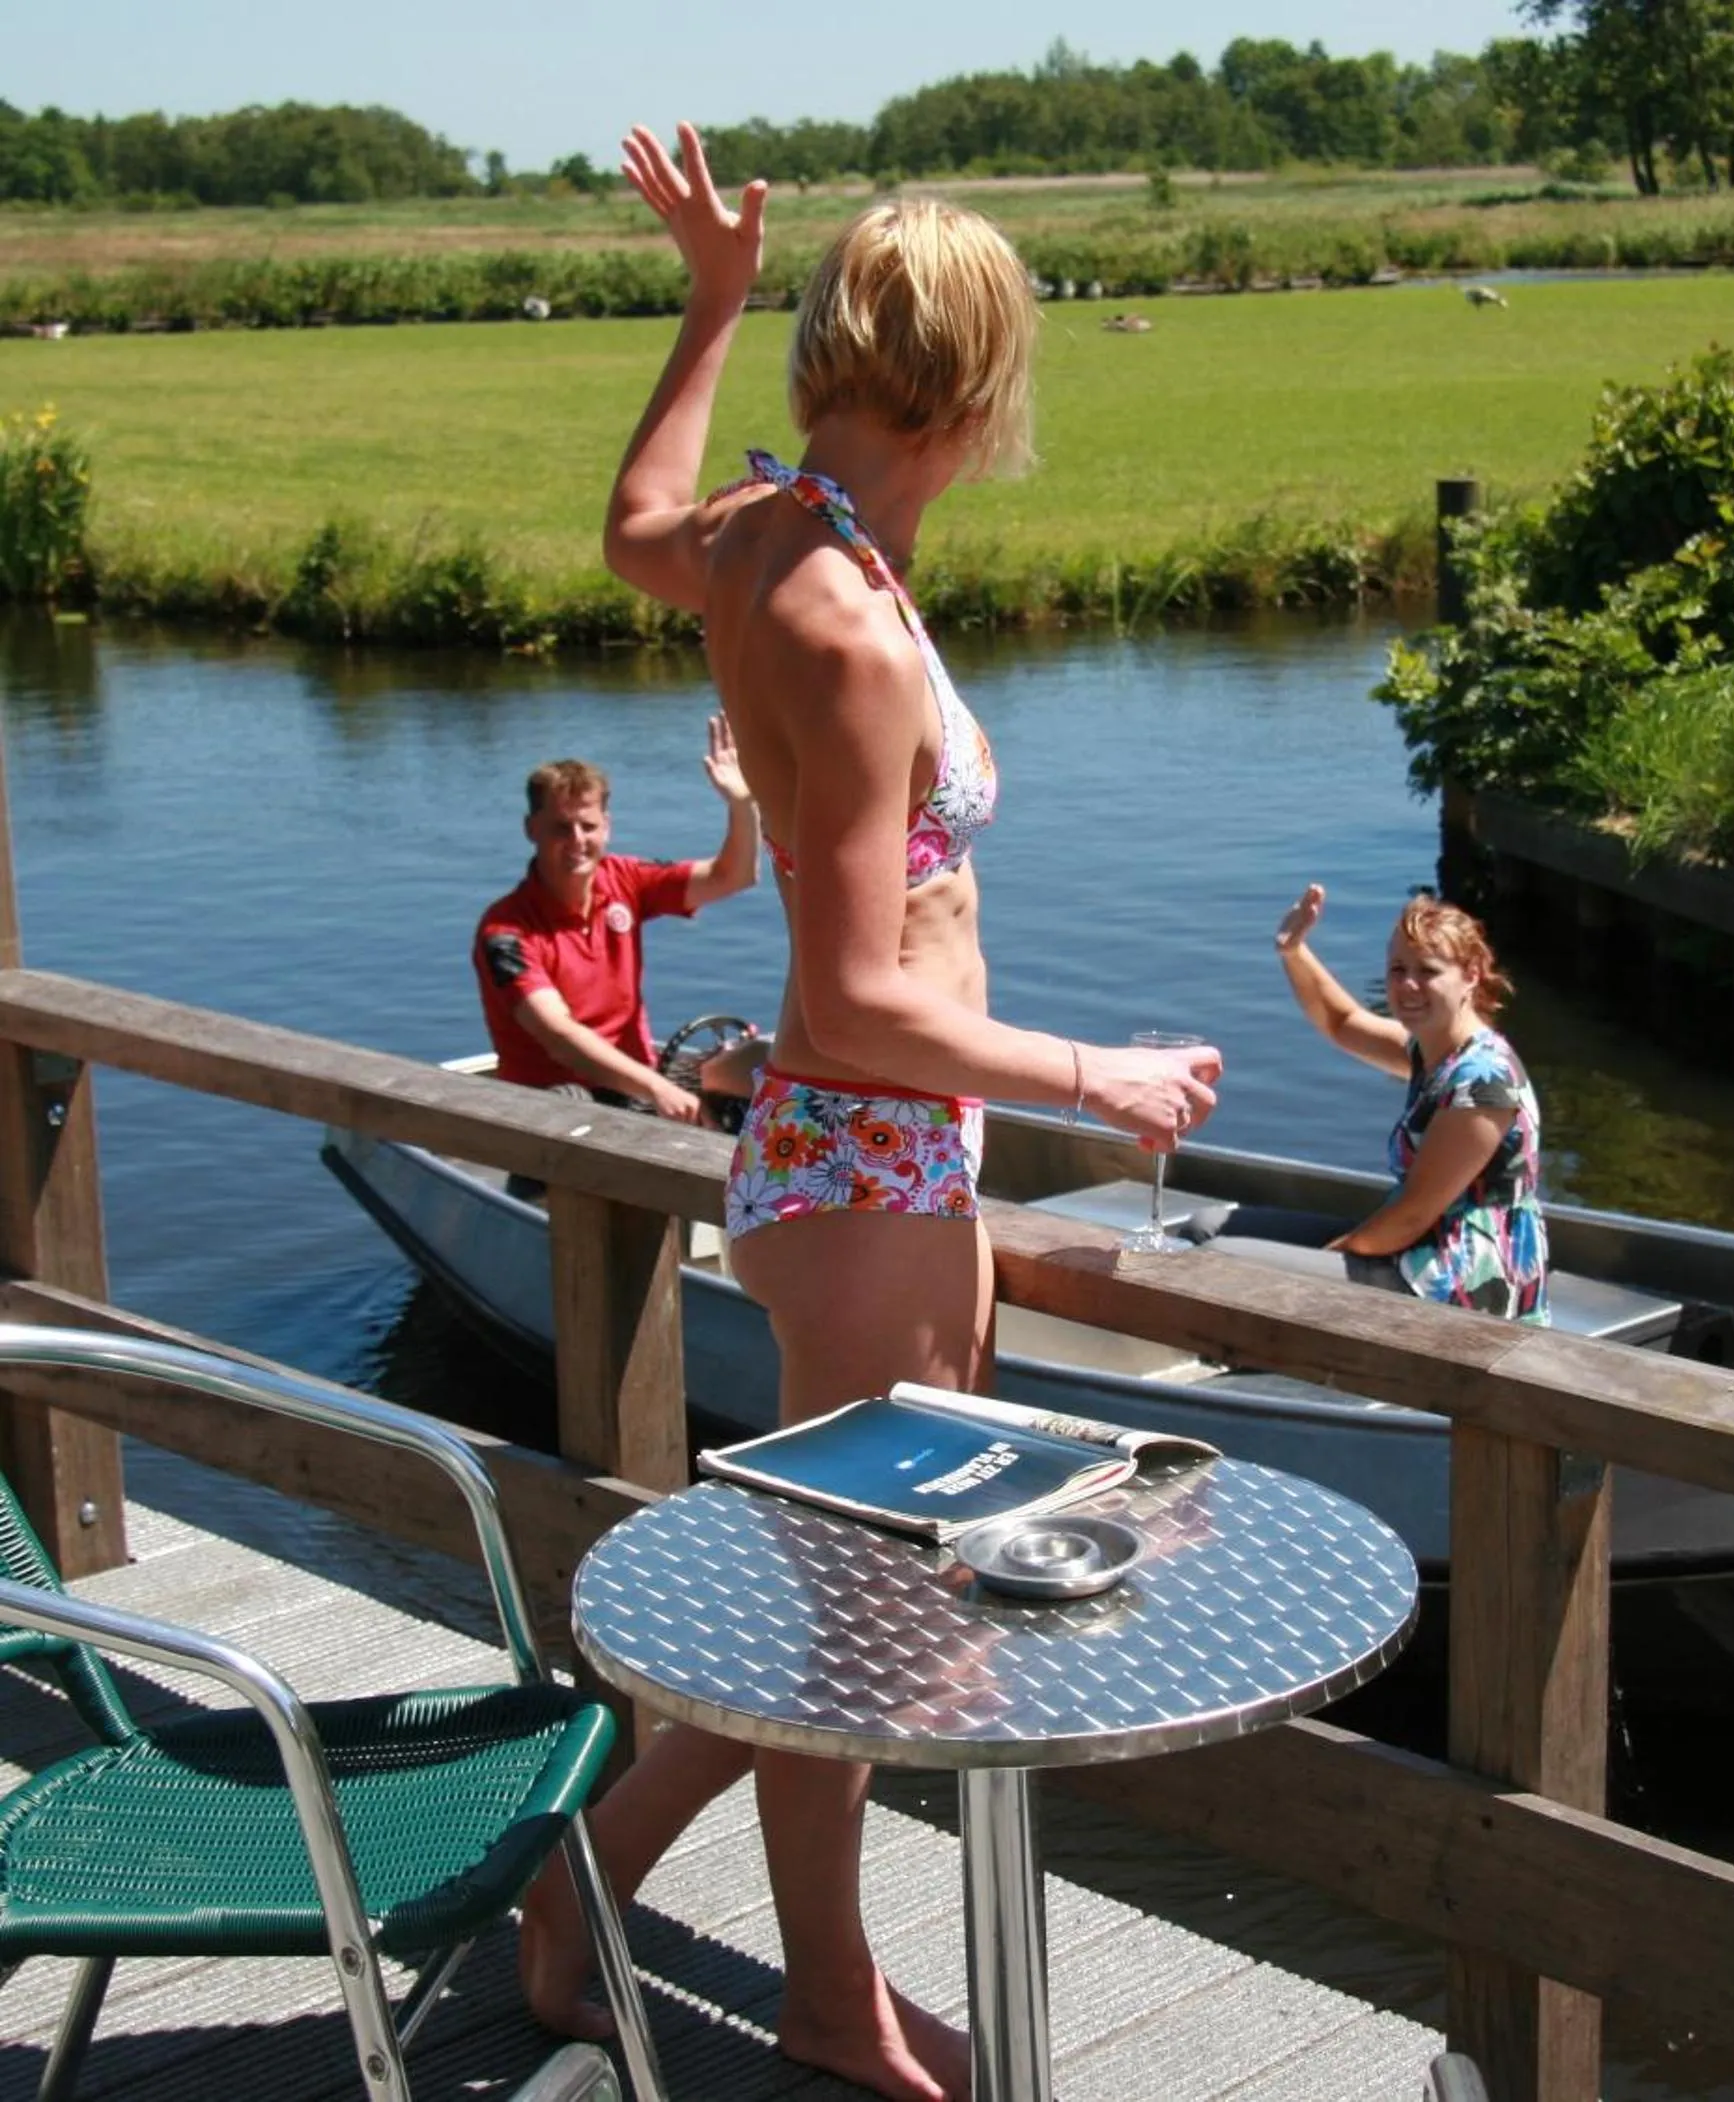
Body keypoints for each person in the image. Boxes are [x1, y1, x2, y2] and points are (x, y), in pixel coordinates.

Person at [513, 124, 1221, 2102]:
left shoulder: (769, 532)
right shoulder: (833, 611)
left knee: (864, 1612)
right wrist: (1103, 1076)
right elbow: (851, 995)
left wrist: (705, 305)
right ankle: (663, 1932)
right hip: (869, 1160)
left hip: (876, 1167)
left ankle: (703, 1939)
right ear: (983, 387)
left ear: (836, 350)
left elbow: (630, 518)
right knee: (874, 1630)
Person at [1272, 882, 1548, 1323]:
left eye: (1429, 970)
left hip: (1457, 1286)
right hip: (1416, 1253)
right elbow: (1343, 1023)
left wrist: (1324, 1261)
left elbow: (1411, 1216)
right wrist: (1293, 951)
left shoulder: (1484, 1082)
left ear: (1471, 975)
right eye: (1398, 969)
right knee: (1207, 1228)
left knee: (1229, 1263)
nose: (1408, 984)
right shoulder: (1434, 1052)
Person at [472, 721, 759, 1125]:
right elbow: (559, 1037)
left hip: (634, 1081)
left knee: (758, 1067)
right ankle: (546, 1188)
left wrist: (742, 803)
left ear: (606, 826)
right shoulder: (506, 932)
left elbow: (734, 875)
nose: (576, 840)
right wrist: (657, 1088)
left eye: (587, 826)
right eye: (559, 827)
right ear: (531, 829)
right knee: (572, 1105)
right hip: (554, 1098)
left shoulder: (625, 879)